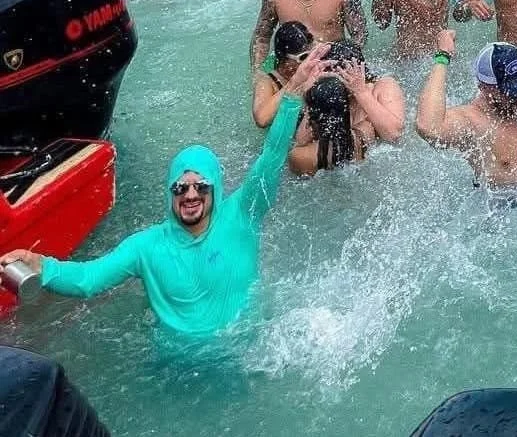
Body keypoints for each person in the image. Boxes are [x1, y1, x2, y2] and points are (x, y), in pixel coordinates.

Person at [0, 46, 330, 337]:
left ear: (214, 189)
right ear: (169, 193)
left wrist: (292, 93)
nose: (190, 195)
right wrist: (41, 264)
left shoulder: (243, 214)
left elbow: (271, 157)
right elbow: (89, 279)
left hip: (244, 352)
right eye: (180, 187)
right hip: (179, 369)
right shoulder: (146, 246)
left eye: (201, 186)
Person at [415, 31, 517, 202]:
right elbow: (428, 126)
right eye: (512, 90)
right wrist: (443, 57)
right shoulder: (473, 122)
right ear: (485, 88)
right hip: (512, 217)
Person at [289, 42, 405, 174]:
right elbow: (301, 140)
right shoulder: (327, 96)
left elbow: (394, 135)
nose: (333, 83)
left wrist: (361, 92)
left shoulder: (383, 86)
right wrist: (311, 93)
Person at [253, 21, 314, 127]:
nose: (308, 62)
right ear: (283, 58)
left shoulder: (314, 72)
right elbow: (261, 120)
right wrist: (295, 82)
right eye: (303, 57)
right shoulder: (268, 83)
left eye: (312, 54)